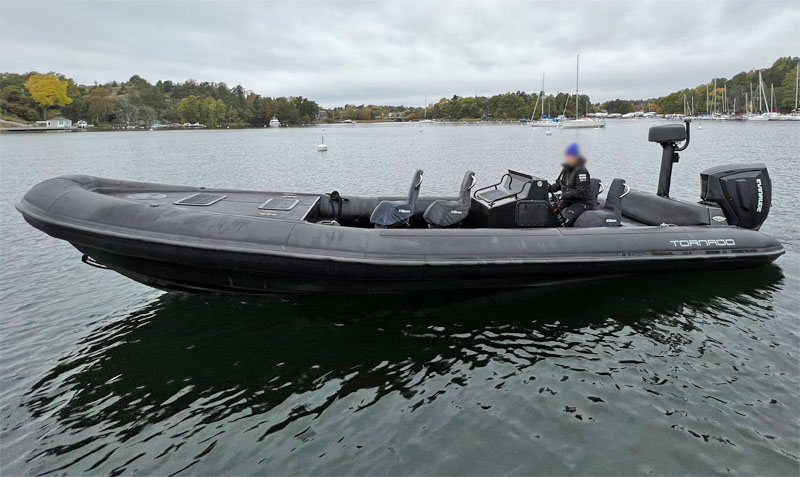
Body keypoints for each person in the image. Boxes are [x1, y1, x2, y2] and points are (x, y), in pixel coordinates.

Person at [549, 142, 592, 226]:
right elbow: (558, 184)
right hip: (567, 200)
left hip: (581, 202)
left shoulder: (581, 171)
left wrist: (562, 195)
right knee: (548, 211)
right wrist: (547, 187)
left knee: (565, 220)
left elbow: (580, 192)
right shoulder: (566, 169)